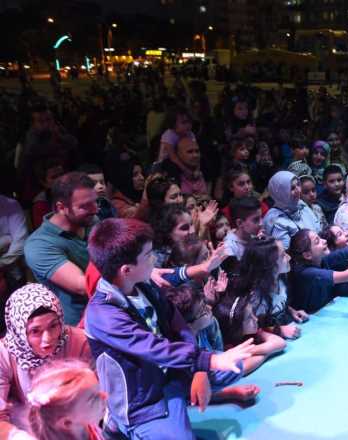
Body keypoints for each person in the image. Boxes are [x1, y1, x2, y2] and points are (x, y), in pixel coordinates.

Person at [85, 218, 256, 439]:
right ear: (126, 270)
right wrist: (208, 360)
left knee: (234, 365)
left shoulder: (145, 285)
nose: (154, 260)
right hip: (144, 399)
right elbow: (153, 347)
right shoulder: (102, 314)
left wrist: (200, 370)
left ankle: (182, 399)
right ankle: (119, 424)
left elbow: (180, 327)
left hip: (171, 375)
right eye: (148, 256)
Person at [0, 284, 92, 438]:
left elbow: (99, 392)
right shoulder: (3, 354)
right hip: (26, 426)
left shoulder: (79, 342)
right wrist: (18, 436)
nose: (47, 339)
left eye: (53, 326)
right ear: (19, 331)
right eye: (35, 331)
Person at [25, 172, 97, 325]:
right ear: (61, 207)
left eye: (95, 202)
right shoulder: (39, 245)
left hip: (114, 310)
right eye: (85, 206)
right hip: (80, 326)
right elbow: (82, 285)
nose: (95, 209)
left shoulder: (91, 220)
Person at [27, 360, 106, 440]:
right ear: (67, 423)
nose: (105, 396)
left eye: (98, 388)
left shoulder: (86, 423)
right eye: (93, 399)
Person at [263, 171, 322, 249]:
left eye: (298, 185)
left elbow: (318, 230)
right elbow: (287, 255)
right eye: (292, 188)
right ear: (281, 193)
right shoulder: (276, 222)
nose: (299, 191)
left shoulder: (301, 204)